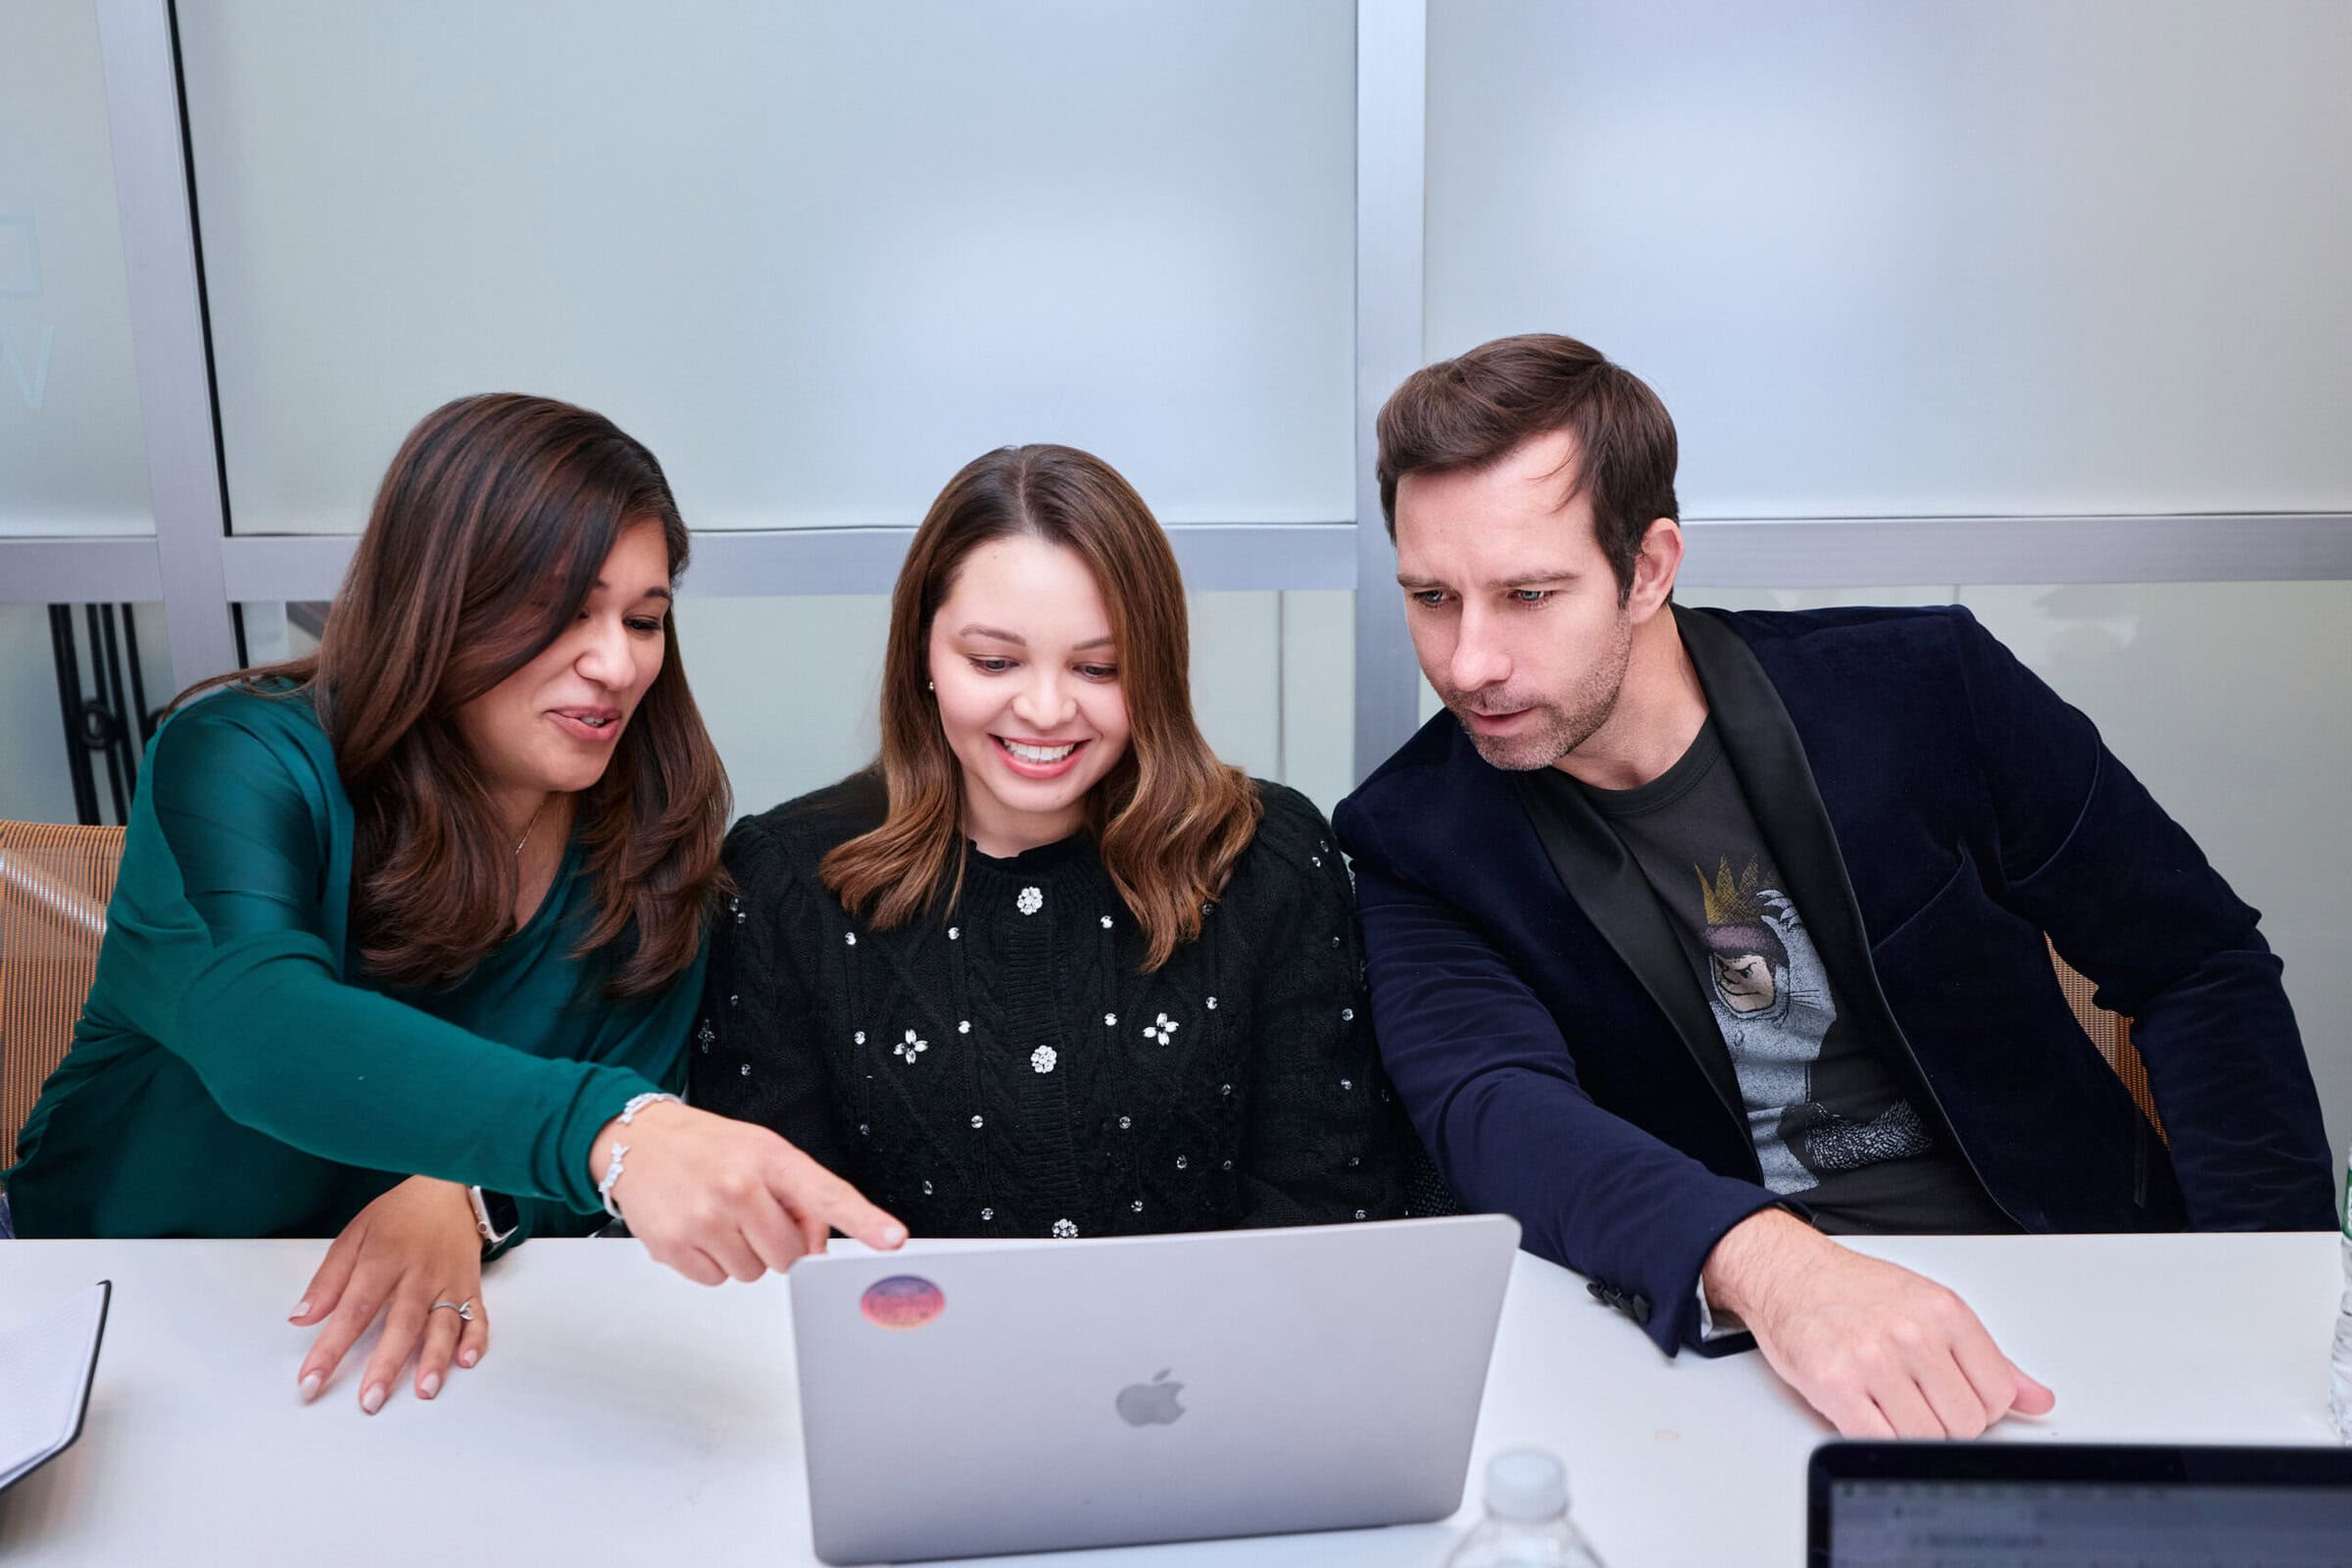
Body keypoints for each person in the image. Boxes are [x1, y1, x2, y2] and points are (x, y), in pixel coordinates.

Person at [1334, 333, 2335, 1439]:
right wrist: (1775, 1267)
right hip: (1733, 1345)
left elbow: (2196, 963)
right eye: (1432, 597)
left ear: (1649, 568)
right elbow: (1491, 1108)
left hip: (2072, 1281)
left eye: (1528, 593)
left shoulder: (1919, 690)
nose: (1469, 661)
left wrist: (2272, 1290)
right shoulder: (1414, 832)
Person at [3, 394, 903, 1412]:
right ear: (440, 598)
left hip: (416, 1370)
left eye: (644, 619)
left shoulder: (651, 847)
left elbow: (592, 1164)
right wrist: (607, 1127)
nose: (616, 664)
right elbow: (261, 1028)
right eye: (564, 611)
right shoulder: (240, 760)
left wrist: (466, 1193)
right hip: (96, 1312)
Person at [693, 443, 1406, 1237]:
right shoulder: (787, 878)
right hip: (904, 1351)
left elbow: (1328, 1209)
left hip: (1217, 1353)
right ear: (923, 653)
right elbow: (777, 1245)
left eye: (1099, 669)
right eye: (994, 661)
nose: (1043, 709)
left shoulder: (1265, 857)